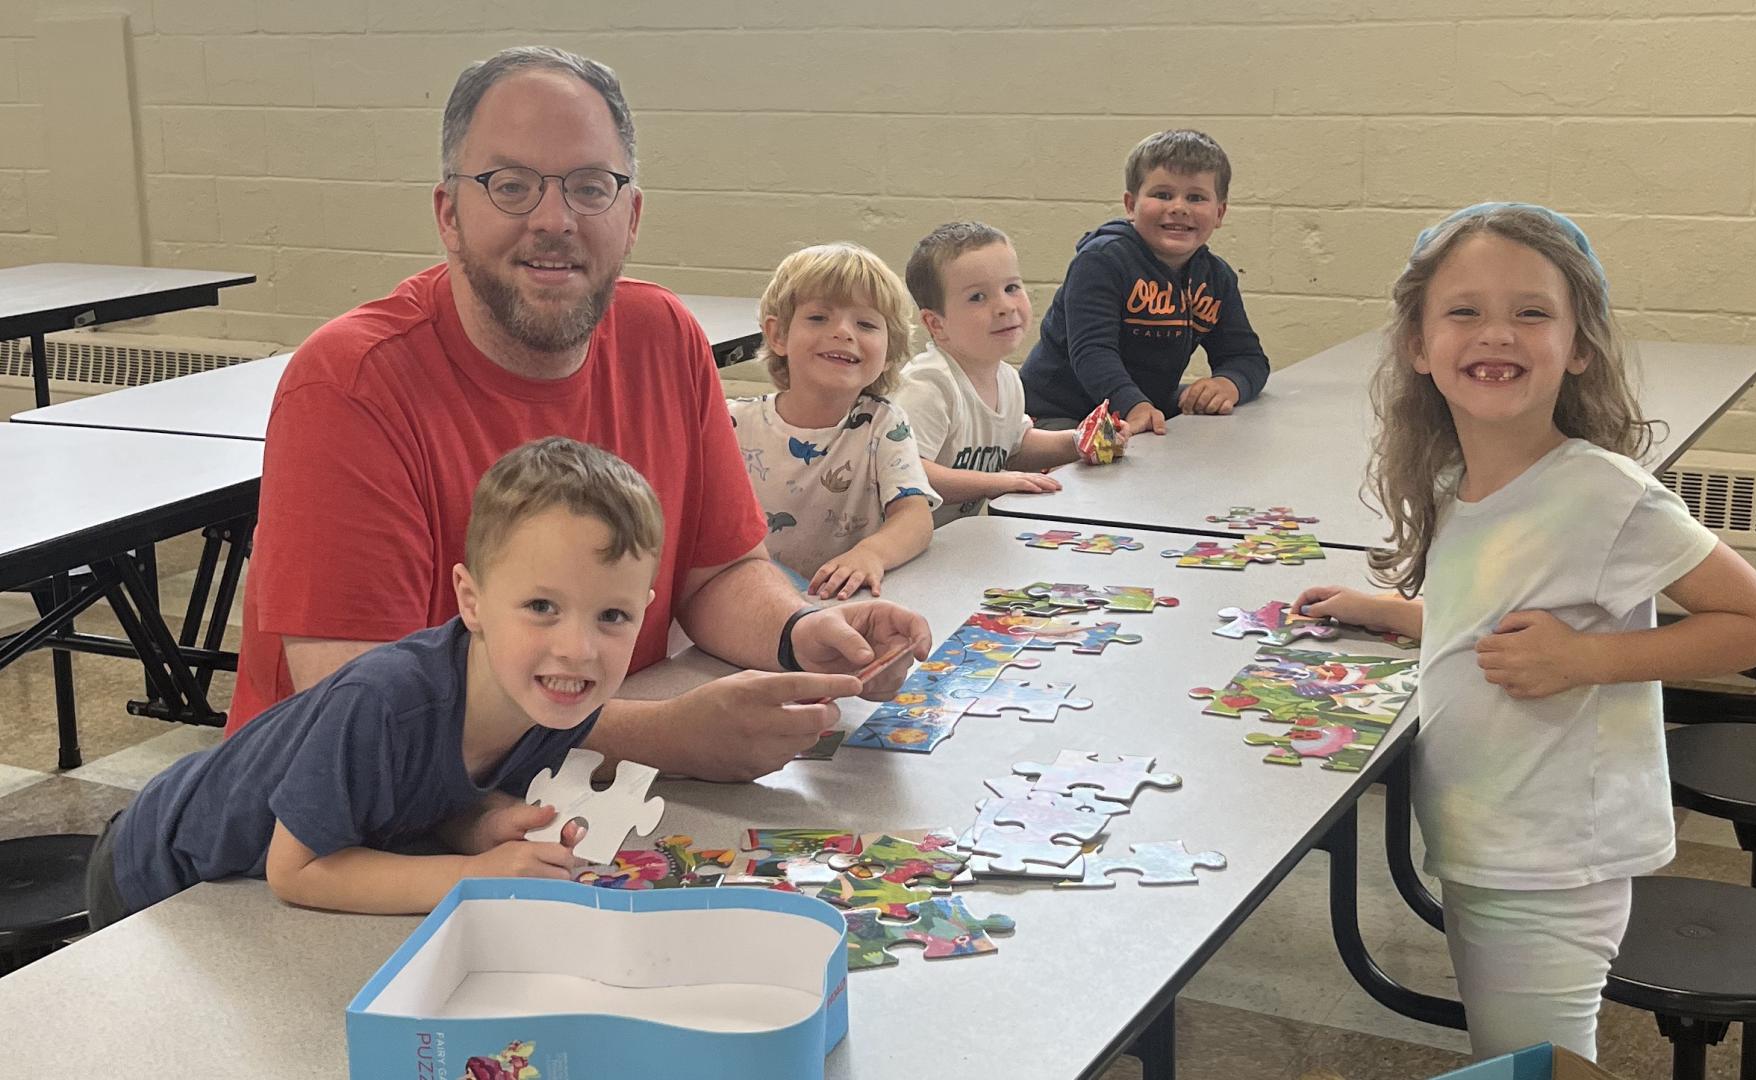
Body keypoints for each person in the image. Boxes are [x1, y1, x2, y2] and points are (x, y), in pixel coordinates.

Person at [230, 47, 929, 782]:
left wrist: (804, 631)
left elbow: (717, 573)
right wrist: (659, 735)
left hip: (581, 795)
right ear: (449, 215)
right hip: (340, 818)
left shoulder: (665, 338)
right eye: (510, 186)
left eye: (591, 188)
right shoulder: (350, 386)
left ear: (632, 217)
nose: (554, 219)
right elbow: (366, 718)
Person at [1290, 203, 1756, 1062]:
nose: (1497, 333)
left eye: (1532, 312)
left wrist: (1586, 658)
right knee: (1510, 1058)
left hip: (1552, 860)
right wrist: (1394, 612)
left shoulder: (1602, 492)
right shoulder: (1457, 481)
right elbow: (1493, 617)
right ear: (1418, 345)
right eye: (1464, 310)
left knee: (1536, 1070)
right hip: (1488, 839)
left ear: (1579, 344)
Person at [88, 438, 664, 926]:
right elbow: (296, 871)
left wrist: (479, 823)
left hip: (249, 899)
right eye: (541, 606)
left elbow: (419, 792)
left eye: (613, 616)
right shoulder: (383, 701)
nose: (578, 650)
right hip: (154, 879)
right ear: (472, 601)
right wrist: (472, 876)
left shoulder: (562, 696)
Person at [1018, 129, 1269, 435]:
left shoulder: (1216, 278)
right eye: (1162, 195)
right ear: (1130, 204)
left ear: (1219, 213)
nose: (1179, 207)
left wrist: (1227, 384)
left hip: (1144, 404)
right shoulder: (1101, 261)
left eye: (1196, 197)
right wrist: (1134, 406)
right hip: (1059, 411)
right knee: (1099, 456)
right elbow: (1093, 352)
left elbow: (1247, 357)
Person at [728, 243, 936, 599]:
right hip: (753, 602)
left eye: (865, 324)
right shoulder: (731, 423)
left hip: (842, 603)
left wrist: (871, 554)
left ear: (890, 352)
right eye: (818, 318)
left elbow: (915, 518)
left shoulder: (883, 425)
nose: (843, 332)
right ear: (778, 335)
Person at [895, 221, 1128, 526]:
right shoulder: (929, 385)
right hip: (891, 542)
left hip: (947, 540)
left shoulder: (1007, 379)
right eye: (977, 297)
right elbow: (909, 473)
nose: (1004, 306)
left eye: (1011, 288)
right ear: (936, 324)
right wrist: (997, 482)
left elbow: (1016, 447)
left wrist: (1079, 441)